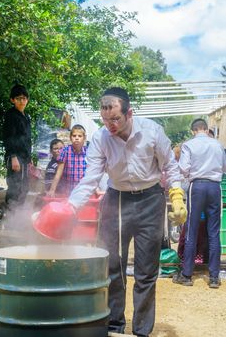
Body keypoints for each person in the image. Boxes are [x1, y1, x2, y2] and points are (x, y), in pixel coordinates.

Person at [66, 87, 186, 337]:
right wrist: (70, 206)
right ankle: (115, 326)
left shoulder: (152, 132)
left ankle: (141, 331)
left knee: (146, 271)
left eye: (115, 119)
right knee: (113, 267)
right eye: (105, 119)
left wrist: (176, 194)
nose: (109, 124)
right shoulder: (101, 137)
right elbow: (91, 178)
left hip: (150, 200)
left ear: (129, 113)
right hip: (116, 199)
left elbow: (171, 168)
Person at [173, 118, 226, 289]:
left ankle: (187, 275)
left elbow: (183, 168)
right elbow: (224, 167)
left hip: (197, 186)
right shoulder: (217, 145)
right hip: (214, 187)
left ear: (193, 130)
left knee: (192, 230)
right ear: (205, 128)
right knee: (214, 231)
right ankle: (214, 277)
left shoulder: (189, 145)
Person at [2, 84, 31, 210]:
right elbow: (8, 138)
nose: (22, 101)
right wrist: (13, 157)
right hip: (15, 158)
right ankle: (9, 218)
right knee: (15, 188)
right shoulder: (11, 116)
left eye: (24, 98)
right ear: (12, 100)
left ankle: (17, 217)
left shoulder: (25, 117)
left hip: (24, 159)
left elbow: (27, 140)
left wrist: (30, 159)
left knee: (24, 188)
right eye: (19, 98)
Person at [48, 124, 87, 197]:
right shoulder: (65, 151)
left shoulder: (88, 152)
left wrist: (96, 189)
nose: (77, 138)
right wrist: (52, 190)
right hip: (67, 192)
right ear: (70, 137)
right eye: (74, 136)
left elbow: (91, 173)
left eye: (80, 136)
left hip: (83, 192)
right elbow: (59, 172)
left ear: (84, 138)